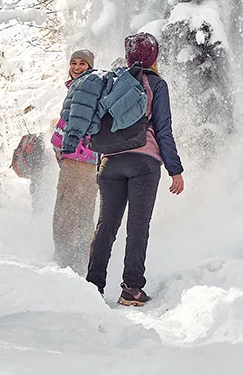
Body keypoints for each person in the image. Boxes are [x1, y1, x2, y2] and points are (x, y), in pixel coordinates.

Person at [86, 33, 184, 306]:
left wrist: (101, 165)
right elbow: (163, 128)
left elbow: (101, 126)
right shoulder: (156, 84)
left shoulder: (114, 81)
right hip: (144, 162)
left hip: (110, 162)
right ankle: (132, 288)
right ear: (153, 56)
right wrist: (175, 169)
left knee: (106, 225)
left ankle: (93, 285)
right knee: (137, 226)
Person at [50, 49, 98, 276]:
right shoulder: (92, 86)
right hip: (90, 160)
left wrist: (58, 144)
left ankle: (65, 260)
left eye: (82, 63)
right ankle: (82, 260)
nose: (77, 67)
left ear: (90, 66)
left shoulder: (83, 87)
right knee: (83, 212)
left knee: (65, 211)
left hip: (77, 158)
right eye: (74, 63)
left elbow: (72, 121)